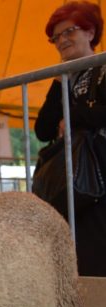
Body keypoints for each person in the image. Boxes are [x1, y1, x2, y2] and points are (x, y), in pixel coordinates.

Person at [35, 1, 106, 277]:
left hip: (98, 174)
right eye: (56, 37)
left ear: (90, 33)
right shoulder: (65, 78)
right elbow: (42, 130)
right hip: (78, 183)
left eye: (69, 31)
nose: (61, 40)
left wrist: (74, 117)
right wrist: (57, 81)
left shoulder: (103, 68)